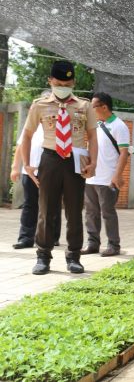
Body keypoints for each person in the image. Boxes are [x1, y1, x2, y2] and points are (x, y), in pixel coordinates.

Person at [20, 60, 98, 275]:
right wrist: (26, 164)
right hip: (50, 158)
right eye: (59, 81)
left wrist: (93, 162)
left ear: (73, 82)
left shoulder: (84, 105)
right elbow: (27, 135)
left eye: (68, 81)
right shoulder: (40, 105)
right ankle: (43, 256)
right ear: (50, 81)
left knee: (74, 210)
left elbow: (92, 135)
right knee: (46, 209)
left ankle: (74, 256)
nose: (64, 84)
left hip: (77, 159)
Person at [81, 92, 130, 257]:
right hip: (92, 177)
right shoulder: (94, 125)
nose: (91, 110)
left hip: (108, 178)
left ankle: (114, 245)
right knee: (90, 212)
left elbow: (124, 153)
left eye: (93, 106)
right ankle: (93, 244)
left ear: (104, 107)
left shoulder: (119, 125)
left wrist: (117, 175)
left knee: (107, 212)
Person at [11, 91, 61, 249]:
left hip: (52, 172)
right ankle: (26, 238)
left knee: (51, 205)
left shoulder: (58, 124)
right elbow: (20, 147)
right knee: (29, 205)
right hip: (29, 172)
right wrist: (15, 168)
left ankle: (51, 237)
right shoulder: (30, 126)